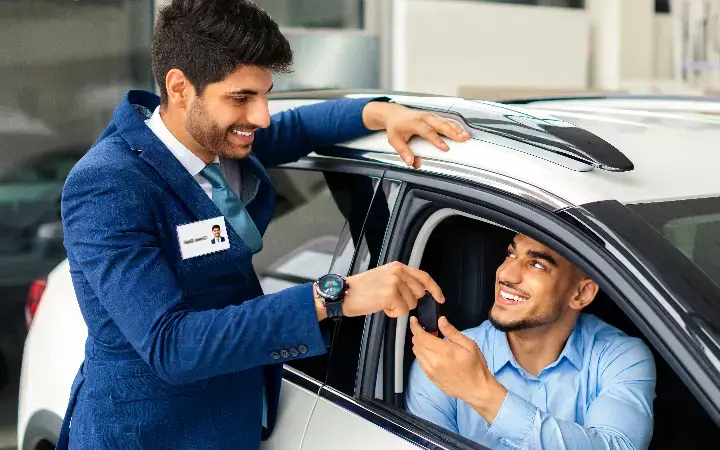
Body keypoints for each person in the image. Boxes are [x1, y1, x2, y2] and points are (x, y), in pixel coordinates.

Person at [56, 1, 470, 448]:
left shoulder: (219, 138)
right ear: (179, 87)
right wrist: (334, 296)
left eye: (265, 94)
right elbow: (171, 346)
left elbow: (300, 128)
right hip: (150, 434)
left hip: (234, 421)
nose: (262, 117)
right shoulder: (109, 184)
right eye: (241, 98)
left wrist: (381, 113)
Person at [407, 233, 657, 450]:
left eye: (537, 265)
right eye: (511, 254)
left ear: (581, 294)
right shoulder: (443, 362)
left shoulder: (621, 356)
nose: (505, 274)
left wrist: (482, 393)